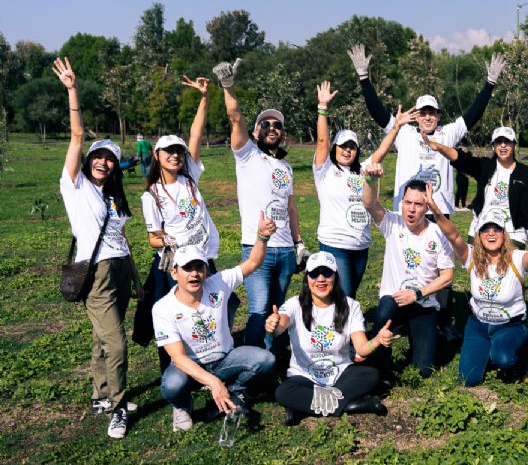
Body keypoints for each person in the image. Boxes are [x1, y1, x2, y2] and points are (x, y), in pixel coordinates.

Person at [348, 45, 505, 340]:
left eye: (432, 112)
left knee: (440, 266)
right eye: (423, 112)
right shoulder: (403, 133)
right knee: (407, 261)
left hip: (437, 211)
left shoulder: (447, 134)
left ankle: (441, 319)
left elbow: (473, 114)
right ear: (416, 115)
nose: (428, 117)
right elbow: (377, 111)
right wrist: (364, 78)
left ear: (438, 115)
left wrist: (490, 84)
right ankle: (402, 316)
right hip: (406, 212)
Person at [426, 192, 528, 386]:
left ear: (504, 234)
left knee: (504, 359)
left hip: (510, 325)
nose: (491, 233)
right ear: (479, 235)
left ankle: (513, 351)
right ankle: (487, 349)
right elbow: (453, 235)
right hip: (479, 325)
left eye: (496, 229)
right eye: (485, 229)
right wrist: (435, 210)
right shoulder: (470, 257)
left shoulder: (516, 259)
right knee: (468, 379)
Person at [55, 57, 139, 439]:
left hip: (120, 268)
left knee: (103, 337)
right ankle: (118, 407)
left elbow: (121, 238)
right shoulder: (76, 186)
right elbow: (76, 135)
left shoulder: (113, 197)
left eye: (110, 158)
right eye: (99, 156)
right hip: (97, 272)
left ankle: (100, 394)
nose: (104, 162)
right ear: (88, 161)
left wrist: (135, 275)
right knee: (117, 342)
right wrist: (73, 90)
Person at [213, 59, 309, 351]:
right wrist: (228, 87)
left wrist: (299, 242)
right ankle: (251, 367)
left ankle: (271, 358)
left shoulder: (286, 167)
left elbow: (290, 207)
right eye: (265, 124)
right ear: (256, 131)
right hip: (258, 248)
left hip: (284, 252)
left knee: (276, 310)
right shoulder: (247, 155)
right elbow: (235, 117)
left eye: (277, 125)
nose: (272, 128)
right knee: (257, 310)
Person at [152, 217, 277, 432]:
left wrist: (262, 236)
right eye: (187, 268)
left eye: (199, 267)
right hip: (190, 368)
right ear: (174, 273)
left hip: (224, 359)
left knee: (266, 359)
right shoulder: (163, 308)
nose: (194, 273)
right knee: (172, 385)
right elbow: (179, 357)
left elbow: (253, 263)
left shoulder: (218, 283)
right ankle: (182, 406)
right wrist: (213, 382)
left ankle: (234, 392)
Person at [141, 75, 223, 375]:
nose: (175, 156)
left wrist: (204, 97)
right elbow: (152, 238)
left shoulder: (191, 178)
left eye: (178, 152)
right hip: (174, 267)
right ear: (157, 156)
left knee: (213, 308)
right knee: (172, 317)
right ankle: (173, 370)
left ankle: (210, 362)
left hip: (203, 259)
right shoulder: (151, 195)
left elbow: (196, 134)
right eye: (168, 152)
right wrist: (168, 242)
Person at [312, 81, 417, 297]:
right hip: (335, 243)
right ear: (335, 148)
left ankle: (341, 326)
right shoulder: (325, 170)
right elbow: (322, 140)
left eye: (352, 147)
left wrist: (396, 127)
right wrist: (323, 108)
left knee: (349, 296)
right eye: (343, 146)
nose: (348, 151)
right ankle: (345, 330)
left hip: (360, 246)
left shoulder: (361, 170)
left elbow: (381, 151)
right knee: (345, 296)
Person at [268, 252, 395, 425]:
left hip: (340, 373)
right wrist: (275, 325)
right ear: (307, 279)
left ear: (335, 276)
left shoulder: (350, 305)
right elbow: (280, 324)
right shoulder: (294, 304)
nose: (321, 279)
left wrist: (378, 339)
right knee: (283, 392)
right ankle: (353, 406)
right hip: (305, 375)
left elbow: (361, 349)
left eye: (327, 273)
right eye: (314, 274)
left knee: (371, 375)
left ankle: (303, 409)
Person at [362, 165, 455, 382]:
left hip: (423, 303)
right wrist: (370, 179)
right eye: (408, 203)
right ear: (401, 203)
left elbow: (448, 275)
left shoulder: (437, 234)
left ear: (427, 208)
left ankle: (429, 333)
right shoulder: (392, 223)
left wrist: (417, 294)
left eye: (418, 204)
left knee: (423, 371)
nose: (411, 209)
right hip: (393, 299)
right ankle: (383, 367)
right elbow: (369, 203)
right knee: (384, 310)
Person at [421, 126, 528, 249]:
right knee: (479, 268)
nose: (503, 145)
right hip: (480, 231)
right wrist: (439, 147)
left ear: (514, 144)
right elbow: (461, 159)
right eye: (499, 142)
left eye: (507, 141)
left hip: (512, 234)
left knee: (511, 268)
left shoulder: (526, 173)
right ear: (493, 146)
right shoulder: (485, 166)